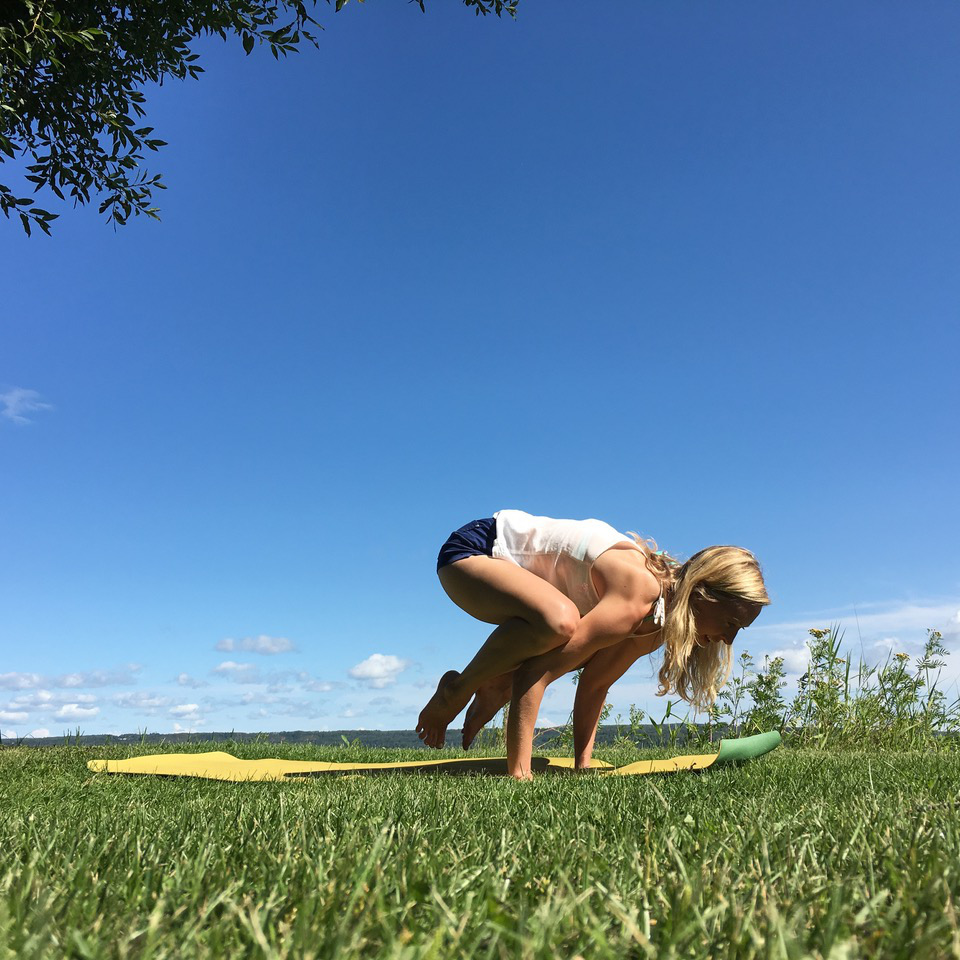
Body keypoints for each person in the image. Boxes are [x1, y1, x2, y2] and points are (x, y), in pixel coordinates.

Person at [417, 509, 770, 779]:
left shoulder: (653, 623)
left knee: (564, 632)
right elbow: (537, 673)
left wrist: (581, 767)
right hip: (474, 553)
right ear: (704, 594)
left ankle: (495, 683)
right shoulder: (639, 595)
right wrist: (519, 774)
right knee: (561, 623)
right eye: (730, 623)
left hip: (506, 578)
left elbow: (595, 684)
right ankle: (462, 688)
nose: (728, 639)